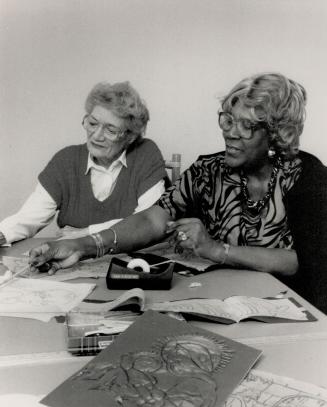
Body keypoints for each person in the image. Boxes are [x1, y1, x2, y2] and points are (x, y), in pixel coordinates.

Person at [29, 73, 327, 313]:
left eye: (247, 126)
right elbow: (151, 220)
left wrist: (214, 249)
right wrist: (83, 245)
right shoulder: (207, 170)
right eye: (228, 119)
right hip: (223, 302)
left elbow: (301, 261)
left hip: (289, 308)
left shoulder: (307, 176)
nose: (231, 132)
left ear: (275, 133)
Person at [0, 81, 166, 245]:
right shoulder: (66, 160)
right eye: (93, 123)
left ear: (130, 137)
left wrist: (87, 234)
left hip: (128, 260)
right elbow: (29, 217)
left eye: (110, 130)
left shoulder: (146, 154)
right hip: (71, 260)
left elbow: (147, 221)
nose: (96, 136)